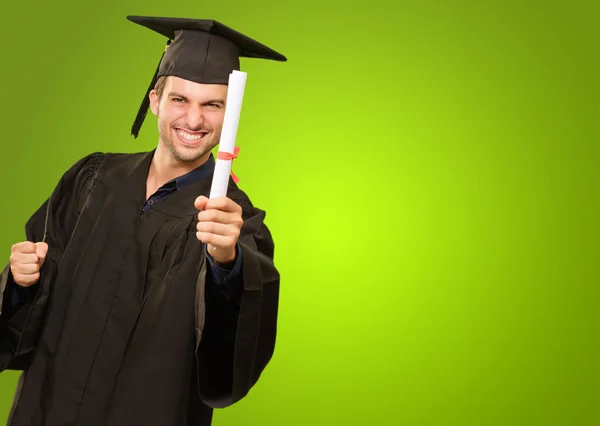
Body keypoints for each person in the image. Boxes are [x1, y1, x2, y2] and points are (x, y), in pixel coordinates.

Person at [0, 15, 286, 426]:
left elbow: (231, 359)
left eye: (213, 105)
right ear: (155, 100)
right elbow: (23, 312)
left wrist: (227, 264)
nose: (193, 120)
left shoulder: (233, 223)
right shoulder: (90, 180)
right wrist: (19, 282)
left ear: (230, 116)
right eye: (180, 100)